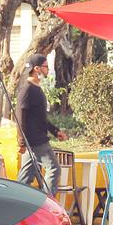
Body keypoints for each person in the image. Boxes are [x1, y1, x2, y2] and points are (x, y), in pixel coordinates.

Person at [15, 53, 67, 197]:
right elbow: (20, 115)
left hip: (34, 140)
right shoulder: (27, 89)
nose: (48, 69)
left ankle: (16, 202)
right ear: (37, 68)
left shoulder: (35, 88)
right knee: (54, 169)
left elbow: (40, 117)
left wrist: (55, 131)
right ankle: (47, 204)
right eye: (46, 66)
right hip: (36, 140)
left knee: (26, 177)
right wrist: (22, 141)